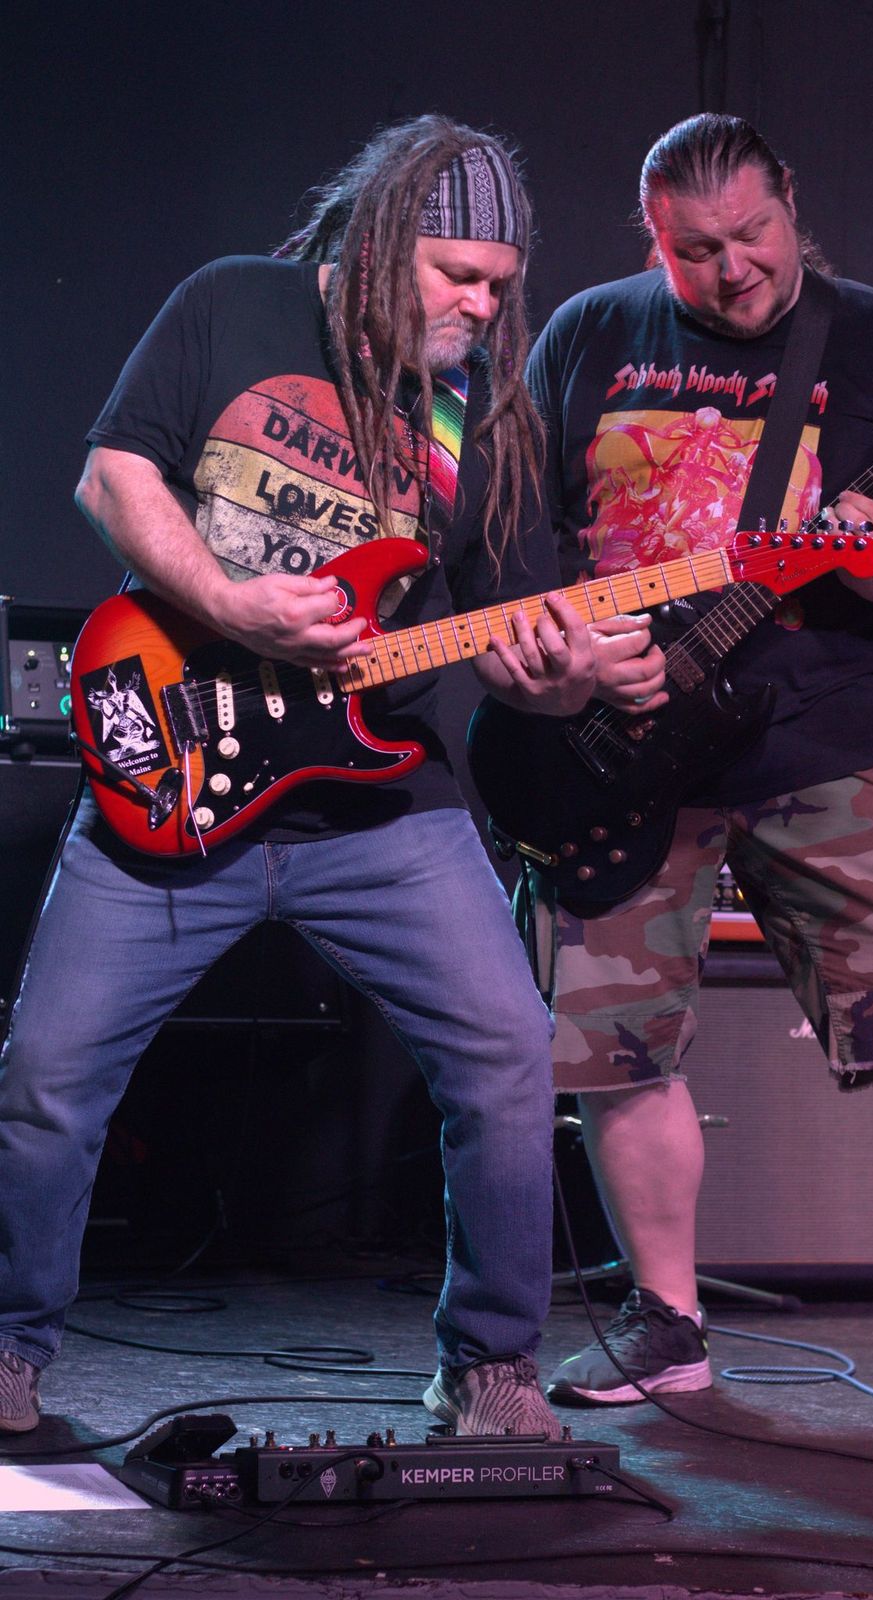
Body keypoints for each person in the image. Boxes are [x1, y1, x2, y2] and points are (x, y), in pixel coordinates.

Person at [0, 116, 597, 1441]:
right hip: (179, 765)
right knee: (47, 1075)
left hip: (380, 805)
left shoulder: (487, 420)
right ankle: (6, 1350)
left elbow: (511, 649)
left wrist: (566, 673)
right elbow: (113, 477)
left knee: (509, 1053)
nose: (482, 305)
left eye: (499, 283)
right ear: (379, 244)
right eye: (457, 275)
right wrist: (231, 602)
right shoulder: (233, 304)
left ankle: (491, 1366)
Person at [522, 113, 873, 1456]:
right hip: (622, 742)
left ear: (789, 206)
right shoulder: (586, 335)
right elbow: (521, 545)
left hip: (826, 730)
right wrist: (569, 660)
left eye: (754, 235)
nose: (736, 269)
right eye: (698, 250)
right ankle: (666, 1324)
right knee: (616, 1041)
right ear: (653, 239)